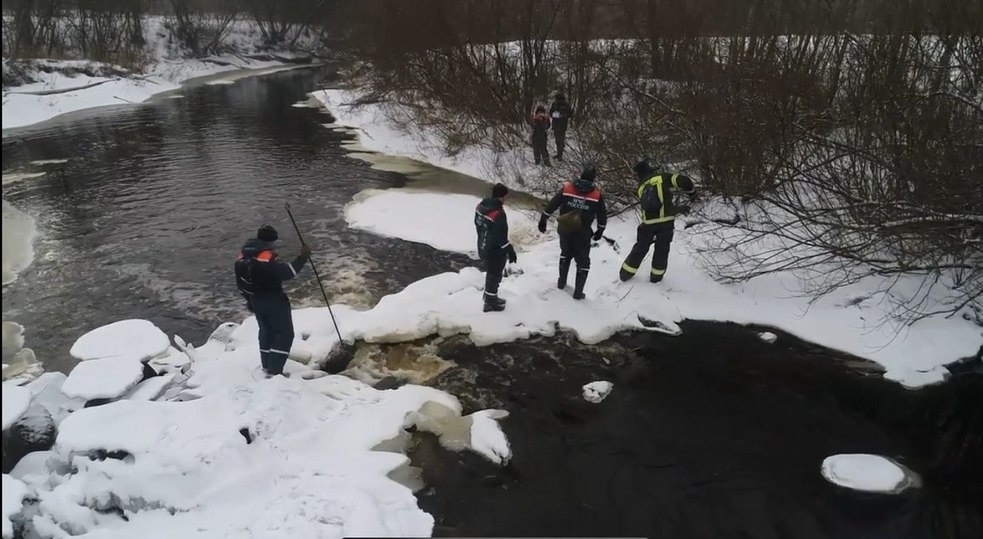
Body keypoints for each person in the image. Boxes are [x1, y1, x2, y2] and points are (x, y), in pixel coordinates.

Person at [235, 225, 311, 376]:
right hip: (274, 300)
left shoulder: (242, 256)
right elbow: (288, 272)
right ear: (272, 241)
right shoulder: (268, 257)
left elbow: (240, 281)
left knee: (266, 332)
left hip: (255, 300)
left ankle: (266, 366)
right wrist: (302, 257)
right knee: (284, 334)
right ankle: (275, 372)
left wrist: (249, 300)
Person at [619, 159, 695, 283]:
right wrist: (692, 193)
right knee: (662, 249)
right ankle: (656, 277)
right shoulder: (662, 178)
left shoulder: (641, 186)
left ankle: (625, 273)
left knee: (641, 247)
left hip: (647, 223)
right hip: (666, 221)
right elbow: (684, 181)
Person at [538, 163, 607, 299]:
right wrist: (600, 231)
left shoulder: (567, 188)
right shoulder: (596, 195)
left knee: (565, 254)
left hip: (565, 228)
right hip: (583, 231)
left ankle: (561, 282)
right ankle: (578, 292)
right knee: (583, 261)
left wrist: (543, 219)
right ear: (593, 179)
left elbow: (553, 204)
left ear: (581, 176)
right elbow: (602, 216)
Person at [474, 183, 517, 312]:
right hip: (495, 249)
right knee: (495, 274)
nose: (506, 199)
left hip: (483, 245)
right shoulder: (498, 213)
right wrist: (510, 250)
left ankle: (490, 296)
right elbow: (501, 235)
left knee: (491, 273)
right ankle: (490, 303)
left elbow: (477, 224)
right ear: (502, 196)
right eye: (506, 196)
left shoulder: (480, 206)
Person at [549, 93, 574, 161]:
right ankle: (559, 154)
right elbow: (550, 113)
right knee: (558, 141)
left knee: (560, 141)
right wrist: (558, 115)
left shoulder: (565, 105)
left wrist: (563, 116)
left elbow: (570, 114)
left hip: (561, 125)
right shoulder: (555, 104)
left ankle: (560, 154)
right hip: (557, 125)